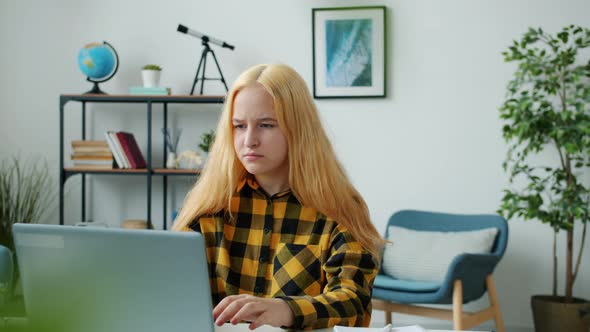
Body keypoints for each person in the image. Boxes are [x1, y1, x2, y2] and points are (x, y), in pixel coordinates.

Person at [172, 64, 384, 330]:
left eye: (266, 125)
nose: (249, 140)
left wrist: (286, 309)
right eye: (239, 126)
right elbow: (170, 291)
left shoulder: (340, 208)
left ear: (298, 129)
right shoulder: (210, 207)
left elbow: (354, 302)